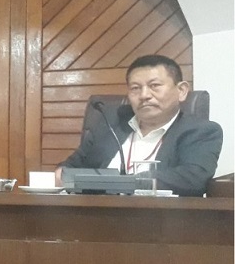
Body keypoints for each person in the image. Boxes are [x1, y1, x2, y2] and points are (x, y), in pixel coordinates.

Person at [56, 55, 223, 196]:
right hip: (92, 216)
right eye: (135, 88)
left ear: (181, 91)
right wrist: (62, 174)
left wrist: (125, 182)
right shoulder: (110, 126)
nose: (144, 95)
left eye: (154, 86)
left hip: (162, 220)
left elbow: (193, 179)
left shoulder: (201, 131)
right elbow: (68, 169)